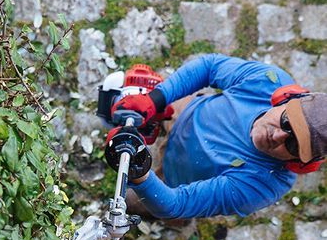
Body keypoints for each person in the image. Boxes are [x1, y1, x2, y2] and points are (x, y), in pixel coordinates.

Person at [109, 54, 327, 219]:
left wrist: (139, 171)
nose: (277, 135)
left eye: (292, 144)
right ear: (283, 98)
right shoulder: (269, 81)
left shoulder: (263, 186)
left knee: (130, 202)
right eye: (287, 122)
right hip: (188, 110)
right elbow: (209, 67)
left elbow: (175, 205)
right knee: (143, 97)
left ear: (297, 164)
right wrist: (156, 100)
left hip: (174, 181)